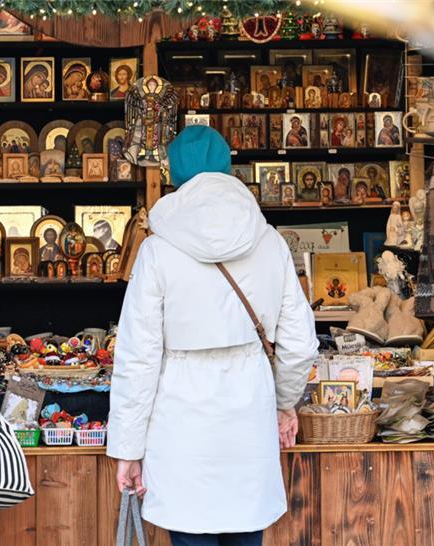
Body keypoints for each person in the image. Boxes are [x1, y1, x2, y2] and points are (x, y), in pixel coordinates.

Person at [108, 125, 318, 546]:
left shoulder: (157, 249)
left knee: (190, 531)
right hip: (248, 419)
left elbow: (138, 358)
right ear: (228, 168)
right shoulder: (269, 242)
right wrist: (283, 404)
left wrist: (128, 449)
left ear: (175, 176)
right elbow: (299, 343)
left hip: (181, 427)